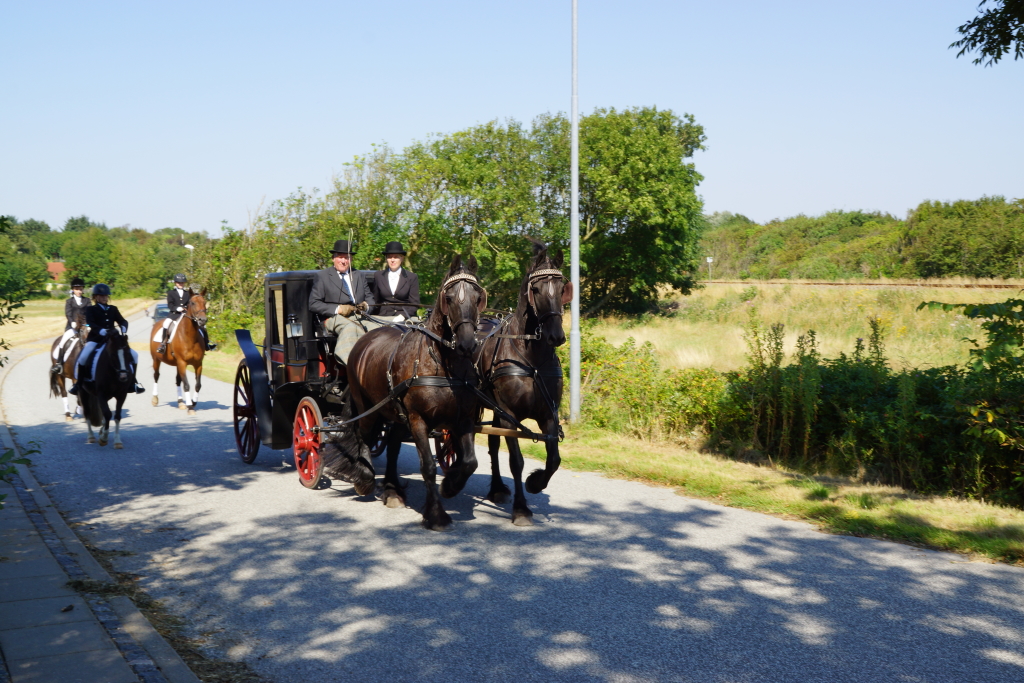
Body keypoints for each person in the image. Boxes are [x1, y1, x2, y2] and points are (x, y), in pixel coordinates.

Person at [308, 239, 378, 365]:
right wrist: (338, 309)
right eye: (340, 257)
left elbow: (370, 299)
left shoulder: (358, 275)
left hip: (359, 316)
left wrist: (366, 306)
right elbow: (314, 304)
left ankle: (377, 364)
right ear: (333, 258)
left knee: (380, 328)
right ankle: (352, 365)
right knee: (351, 328)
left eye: (347, 258)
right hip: (333, 318)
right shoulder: (323, 276)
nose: (344, 261)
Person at [68, 284, 145, 395]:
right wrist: (100, 331)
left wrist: (123, 326)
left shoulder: (113, 309)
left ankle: (133, 382)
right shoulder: (91, 309)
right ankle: (78, 384)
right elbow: (91, 323)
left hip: (113, 339)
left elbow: (122, 320)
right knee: (83, 356)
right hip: (96, 339)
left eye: (106, 296)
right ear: (96, 297)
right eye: (101, 295)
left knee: (134, 355)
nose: (104, 298)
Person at [157, 273, 215, 353]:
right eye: (178, 282)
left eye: (182, 282)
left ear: (184, 283)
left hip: (186, 314)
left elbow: (193, 303)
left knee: (202, 325)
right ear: (175, 283)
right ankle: (163, 344)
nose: (180, 284)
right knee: (166, 324)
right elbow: (170, 305)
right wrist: (177, 308)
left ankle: (207, 344)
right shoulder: (171, 293)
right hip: (174, 314)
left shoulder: (188, 293)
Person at [372, 241, 420, 322]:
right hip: (384, 317)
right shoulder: (378, 276)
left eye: (396, 257)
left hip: (405, 317)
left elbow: (415, 304)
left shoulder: (412, 277)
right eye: (390, 257)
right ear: (386, 259)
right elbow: (375, 301)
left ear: (402, 258)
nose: (392, 260)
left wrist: (403, 316)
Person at [52, 277, 90, 371]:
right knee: (63, 342)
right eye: (77, 289)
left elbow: (90, 313)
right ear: (73, 290)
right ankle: (59, 364)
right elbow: (68, 314)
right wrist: (72, 322)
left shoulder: (87, 301)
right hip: (72, 327)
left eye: (80, 289)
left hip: (85, 326)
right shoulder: (69, 302)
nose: (79, 291)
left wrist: (88, 323)